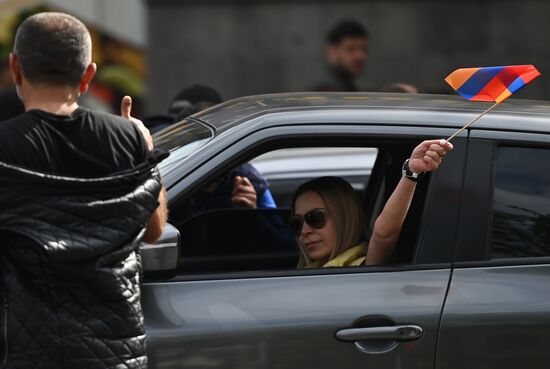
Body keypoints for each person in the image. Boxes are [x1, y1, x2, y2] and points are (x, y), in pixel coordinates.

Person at [0, 12, 166, 368]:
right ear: (89, 75)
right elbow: (154, 231)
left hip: (28, 352)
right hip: (117, 355)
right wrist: (144, 150)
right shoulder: (129, 139)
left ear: (15, 68)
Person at [289, 139, 453, 268]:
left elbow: (384, 234)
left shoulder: (365, 266)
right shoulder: (308, 269)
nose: (304, 231)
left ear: (345, 217)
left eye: (315, 218)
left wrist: (411, 173)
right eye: (296, 223)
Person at [314, 19, 369, 92]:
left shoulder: (346, 86)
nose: (360, 55)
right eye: (350, 49)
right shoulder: (327, 91)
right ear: (332, 52)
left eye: (363, 49)